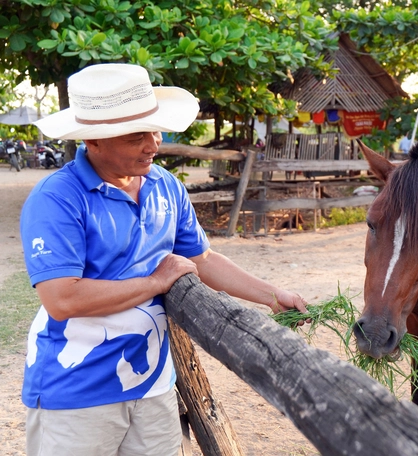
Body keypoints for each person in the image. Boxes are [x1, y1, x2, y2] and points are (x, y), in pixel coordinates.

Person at [23, 63, 308, 456]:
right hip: (77, 390)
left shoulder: (165, 186)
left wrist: (272, 295)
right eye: (136, 135)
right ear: (94, 140)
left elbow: (203, 259)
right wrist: (157, 283)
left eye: (155, 129)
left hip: (152, 383)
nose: (153, 144)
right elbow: (62, 299)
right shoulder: (57, 198)